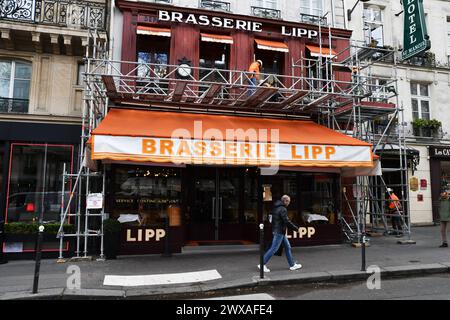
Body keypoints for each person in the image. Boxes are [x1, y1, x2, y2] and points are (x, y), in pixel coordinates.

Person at [258, 195, 302, 272]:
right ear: (285, 201)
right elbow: (287, 221)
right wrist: (296, 229)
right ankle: (262, 264)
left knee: (288, 247)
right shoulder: (283, 209)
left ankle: (292, 265)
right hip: (279, 232)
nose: (289, 203)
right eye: (288, 201)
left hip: (278, 230)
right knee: (274, 249)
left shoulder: (276, 207)